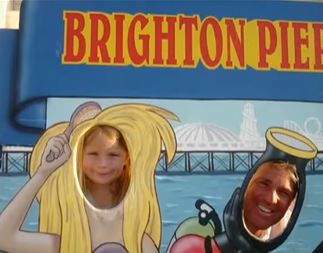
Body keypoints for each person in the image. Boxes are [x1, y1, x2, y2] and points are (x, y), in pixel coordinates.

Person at [0, 103, 178, 253]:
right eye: (93, 154)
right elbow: (3, 237)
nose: (103, 164)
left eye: (113, 155)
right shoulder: (68, 239)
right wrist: (43, 172)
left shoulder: (136, 237)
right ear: (77, 159)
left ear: (126, 159)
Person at [243, 160, 298, 241]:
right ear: (247, 184)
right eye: (263, 184)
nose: (270, 199)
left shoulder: (286, 227)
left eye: (283, 193)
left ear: (291, 202)